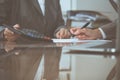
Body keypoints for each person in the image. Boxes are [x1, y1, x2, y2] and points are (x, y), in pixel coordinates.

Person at [0, 0, 71, 80]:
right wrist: (4, 32)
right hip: (17, 55)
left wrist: (61, 29)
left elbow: (59, 23)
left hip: (50, 55)